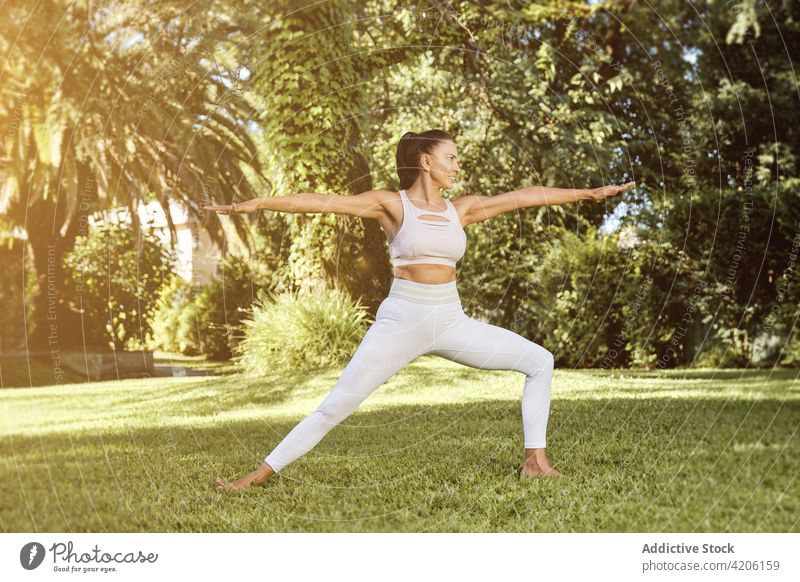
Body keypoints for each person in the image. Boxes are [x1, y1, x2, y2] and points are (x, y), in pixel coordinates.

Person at [205, 129, 635, 490]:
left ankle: (535, 461)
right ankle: (259, 473)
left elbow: (525, 197)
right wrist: (257, 203)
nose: (458, 166)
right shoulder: (392, 205)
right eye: (451, 157)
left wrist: (589, 193)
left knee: (540, 361)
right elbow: (322, 201)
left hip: (450, 321)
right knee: (335, 406)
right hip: (401, 323)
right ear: (426, 162)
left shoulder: (460, 209)